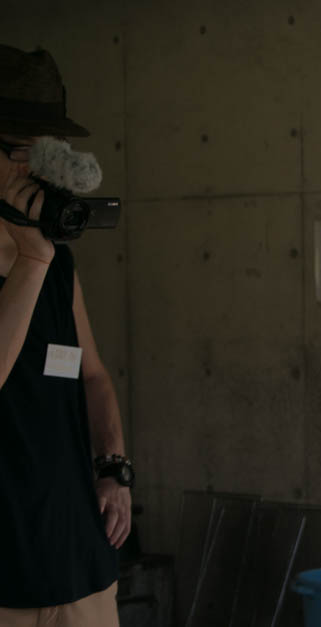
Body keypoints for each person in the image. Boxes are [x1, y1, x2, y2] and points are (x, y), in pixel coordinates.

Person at [0, 45, 132, 626]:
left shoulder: (56, 262)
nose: (33, 170)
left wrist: (114, 469)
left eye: (44, 154)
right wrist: (29, 261)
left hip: (77, 556)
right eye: (19, 152)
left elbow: (94, 375)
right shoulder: (38, 258)